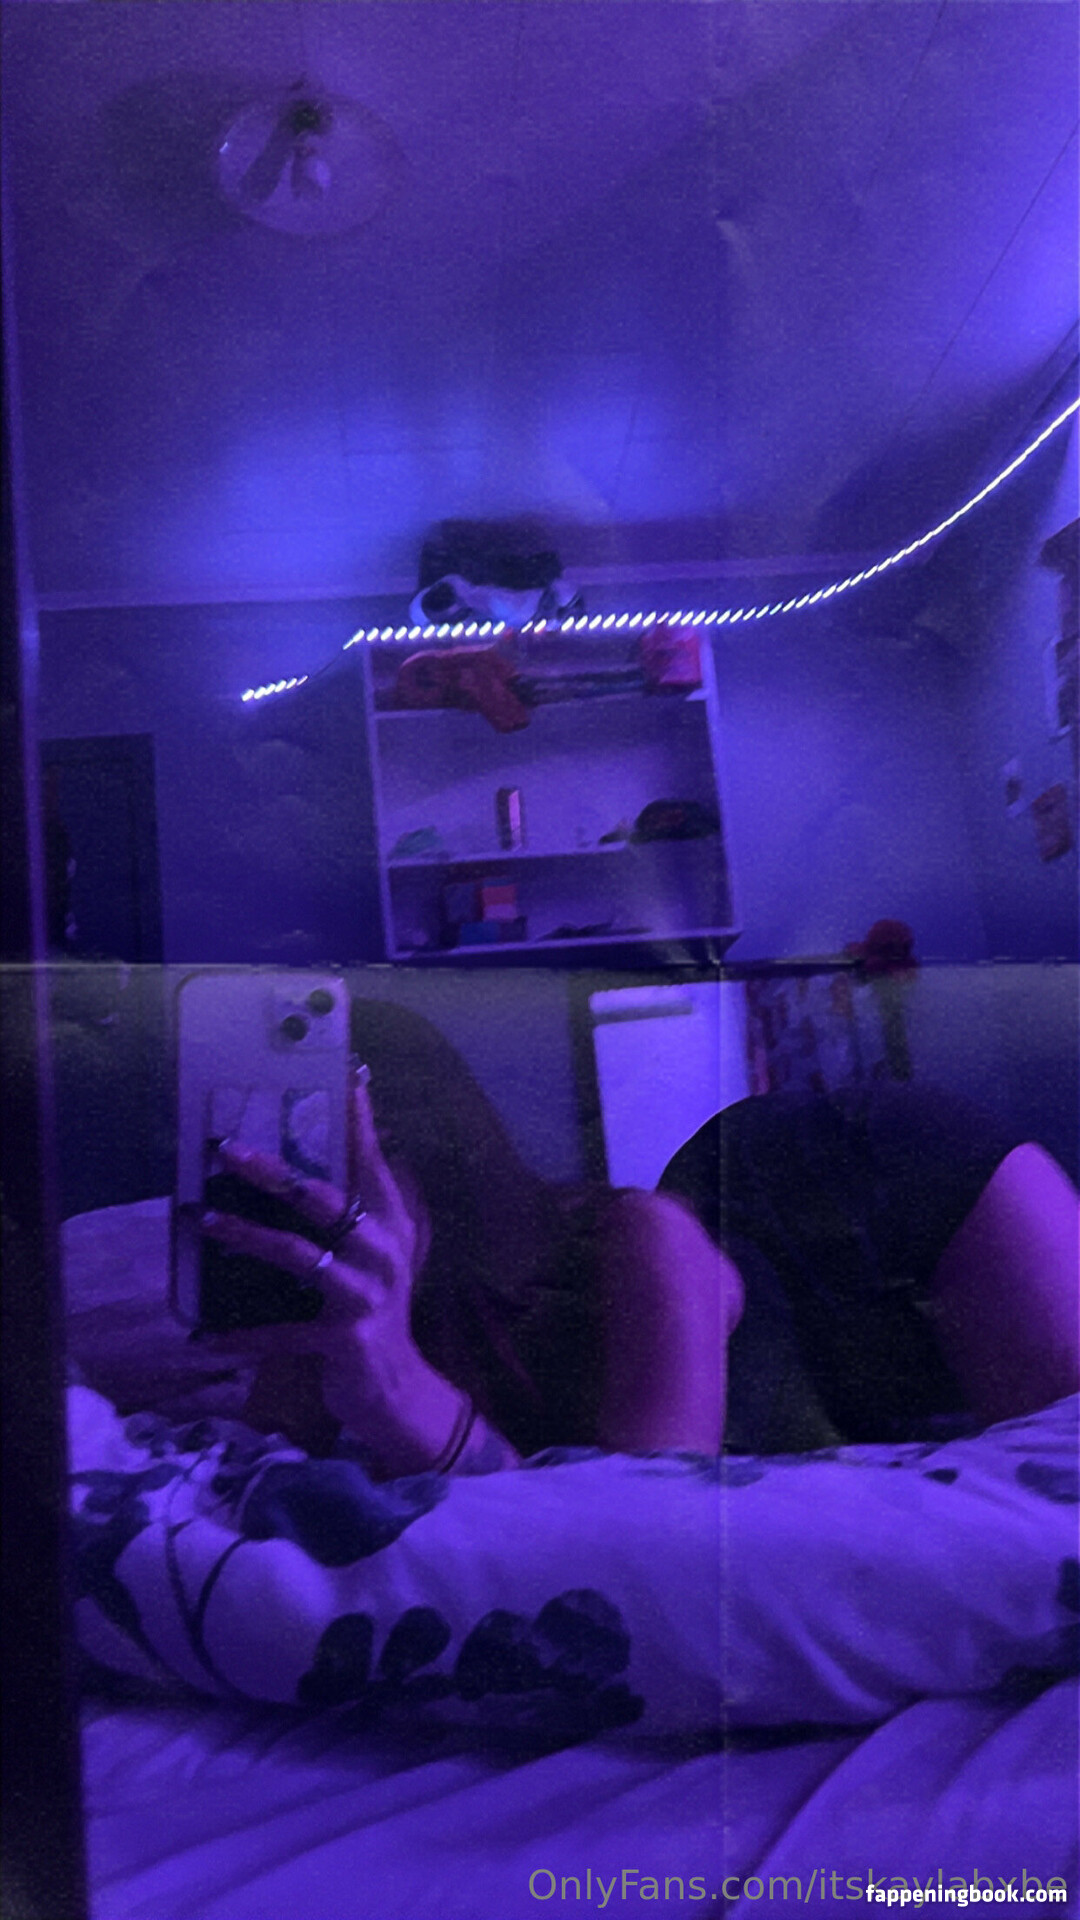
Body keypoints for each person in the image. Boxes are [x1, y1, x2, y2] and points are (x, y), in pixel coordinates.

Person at [200, 1000, 1079, 1476]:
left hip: (897, 1178)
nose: (320, 1216)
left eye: (336, 1171)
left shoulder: (637, 1246)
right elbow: (264, 1477)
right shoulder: (333, 1304)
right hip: (765, 1240)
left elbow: (642, 1541)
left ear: (424, 1153)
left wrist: (400, 1392)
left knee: (1054, 1486)